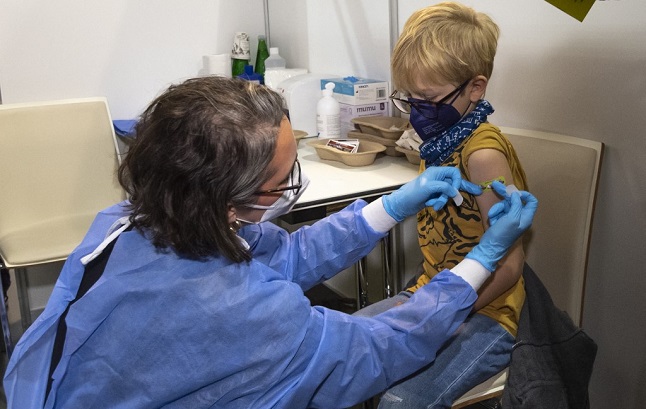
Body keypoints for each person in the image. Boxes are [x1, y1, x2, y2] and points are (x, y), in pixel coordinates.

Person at [3, 76, 537, 409]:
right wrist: (483, 257)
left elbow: (283, 255)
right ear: (228, 198)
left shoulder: (125, 224)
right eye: (282, 180)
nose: (289, 188)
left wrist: (391, 205)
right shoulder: (249, 314)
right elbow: (377, 350)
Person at [355, 2, 531, 407]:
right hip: (432, 295)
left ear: (475, 87)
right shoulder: (440, 144)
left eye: (429, 99)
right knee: (341, 349)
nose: (419, 112)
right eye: (411, 99)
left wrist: (440, 316)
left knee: (400, 401)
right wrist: (425, 309)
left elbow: (509, 264)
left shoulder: (482, 155)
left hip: (487, 314)